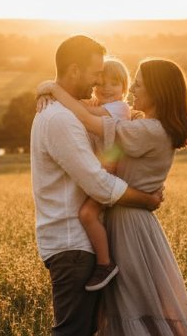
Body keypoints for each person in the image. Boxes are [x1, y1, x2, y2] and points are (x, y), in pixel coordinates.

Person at [37, 57, 187, 336]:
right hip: (125, 218)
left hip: (129, 226)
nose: (133, 89)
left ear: (157, 92)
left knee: (133, 306)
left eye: (139, 84)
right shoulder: (147, 125)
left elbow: (89, 120)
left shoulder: (149, 130)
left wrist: (52, 87)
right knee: (128, 306)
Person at [76, 59, 132, 291]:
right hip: (104, 170)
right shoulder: (100, 101)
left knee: (88, 214)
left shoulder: (120, 107)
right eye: (101, 82)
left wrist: (54, 92)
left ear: (124, 88)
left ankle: (105, 264)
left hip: (113, 171)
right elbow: (82, 102)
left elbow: (84, 110)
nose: (107, 88)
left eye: (114, 83)